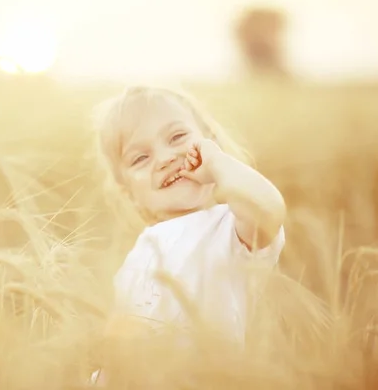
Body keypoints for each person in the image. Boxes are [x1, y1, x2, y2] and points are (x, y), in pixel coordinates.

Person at [89, 86, 286, 384]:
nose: (165, 158)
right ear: (130, 194)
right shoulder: (138, 255)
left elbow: (268, 208)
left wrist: (216, 163)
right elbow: (119, 343)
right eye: (140, 158)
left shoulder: (229, 227)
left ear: (210, 142)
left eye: (177, 137)